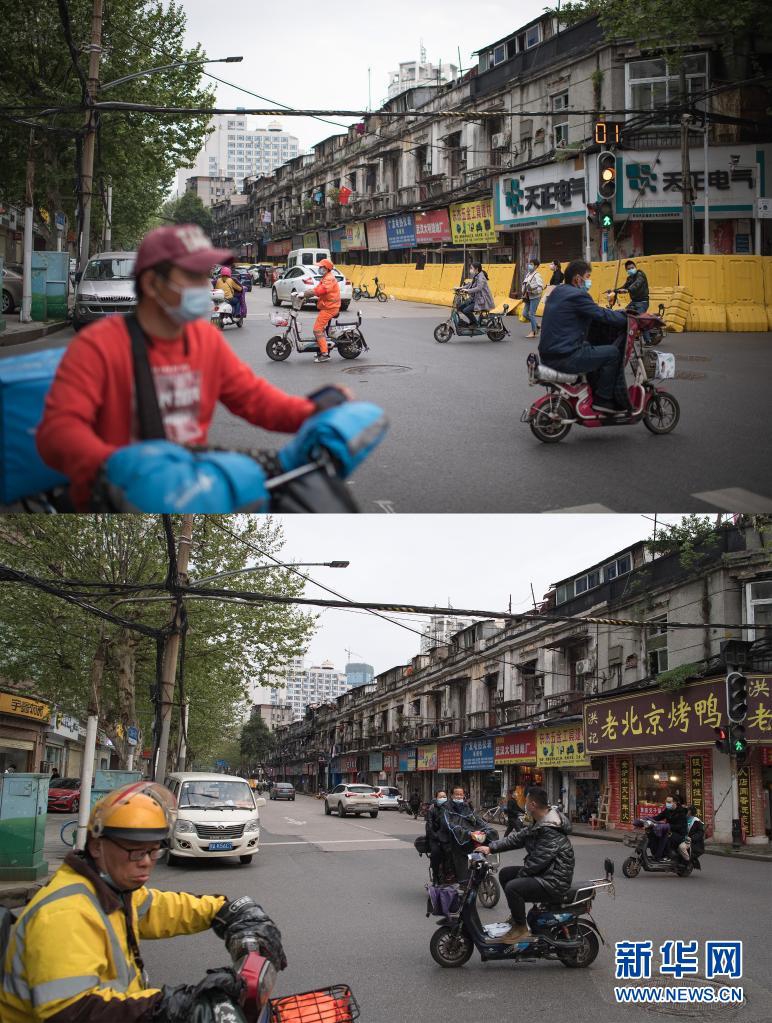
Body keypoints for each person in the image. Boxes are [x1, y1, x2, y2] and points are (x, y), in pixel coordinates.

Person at [37, 224, 348, 510]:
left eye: (205, 275)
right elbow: (58, 433)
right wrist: (116, 468)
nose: (205, 285)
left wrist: (317, 414)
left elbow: (255, 400)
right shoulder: (98, 346)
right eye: (193, 276)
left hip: (188, 490)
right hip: (111, 500)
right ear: (152, 283)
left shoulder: (204, 340)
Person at [0, 781, 287, 1022]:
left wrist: (226, 911)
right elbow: (72, 1012)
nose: (147, 863)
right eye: (136, 852)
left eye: (154, 852)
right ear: (98, 845)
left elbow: (163, 908)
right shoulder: (64, 915)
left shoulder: (113, 889)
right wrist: (174, 1008)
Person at [477, 786, 574, 944]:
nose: (524, 805)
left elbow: (537, 862)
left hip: (555, 879)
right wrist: (490, 847)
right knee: (505, 874)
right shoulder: (539, 822)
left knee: (513, 887)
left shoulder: (551, 829)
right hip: (546, 872)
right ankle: (517, 919)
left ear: (533, 804)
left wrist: (519, 878)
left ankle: (521, 928)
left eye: (526, 801)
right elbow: (517, 838)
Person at [539, 258, 629, 415]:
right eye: (588, 277)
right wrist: (628, 319)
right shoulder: (578, 296)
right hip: (565, 356)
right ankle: (603, 400)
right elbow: (601, 314)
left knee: (590, 347)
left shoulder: (558, 292)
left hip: (548, 354)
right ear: (578, 279)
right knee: (613, 353)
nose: (589, 281)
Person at [305, 258, 341, 363]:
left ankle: (325, 354)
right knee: (320, 329)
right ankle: (321, 349)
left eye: (321, 267)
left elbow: (322, 290)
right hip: (327, 306)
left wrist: (306, 294)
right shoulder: (325, 277)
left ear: (326, 268)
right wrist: (304, 294)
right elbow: (316, 289)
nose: (319, 268)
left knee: (317, 330)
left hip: (330, 308)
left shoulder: (329, 278)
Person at [607, 259, 651, 344]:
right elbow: (624, 286)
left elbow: (637, 284)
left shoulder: (640, 275)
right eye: (629, 269)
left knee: (640, 318)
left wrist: (628, 290)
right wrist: (615, 290)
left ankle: (648, 340)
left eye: (632, 267)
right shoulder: (630, 278)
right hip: (634, 301)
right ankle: (632, 334)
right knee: (625, 315)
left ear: (635, 267)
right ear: (626, 270)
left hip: (643, 302)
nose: (631, 269)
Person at [425, 790, 450, 884]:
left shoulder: (450, 808)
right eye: (441, 797)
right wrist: (436, 836)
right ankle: (435, 876)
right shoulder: (432, 810)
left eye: (444, 796)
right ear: (436, 798)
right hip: (435, 838)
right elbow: (430, 826)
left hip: (448, 837)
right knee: (436, 852)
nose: (443, 798)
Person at [652, 794, 688, 859]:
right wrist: (648, 819)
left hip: (680, 834)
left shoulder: (682, 812)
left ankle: (667, 856)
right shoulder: (667, 810)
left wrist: (668, 826)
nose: (667, 804)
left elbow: (680, 826)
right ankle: (656, 854)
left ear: (675, 802)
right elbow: (658, 817)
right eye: (666, 802)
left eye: (669, 802)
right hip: (668, 831)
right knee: (655, 835)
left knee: (665, 837)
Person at [459, 261, 495, 327]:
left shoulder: (481, 278)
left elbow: (479, 288)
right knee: (460, 307)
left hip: (482, 301)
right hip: (475, 299)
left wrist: (467, 290)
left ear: (476, 269)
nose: (470, 270)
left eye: (471, 268)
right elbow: (470, 284)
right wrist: (460, 288)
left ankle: (475, 323)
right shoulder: (477, 276)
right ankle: (472, 322)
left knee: (466, 310)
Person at [521, 258, 544, 339]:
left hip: (535, 297)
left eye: (531, 264)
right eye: (529, 264)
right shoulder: (528, 274)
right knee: (524, 314)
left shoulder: (537, 275)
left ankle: (533, 332)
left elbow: (540, 288)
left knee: (531, 314)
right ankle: (536, 325)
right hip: (527, 297)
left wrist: (532, 290)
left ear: (536, 266)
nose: (529, 265)